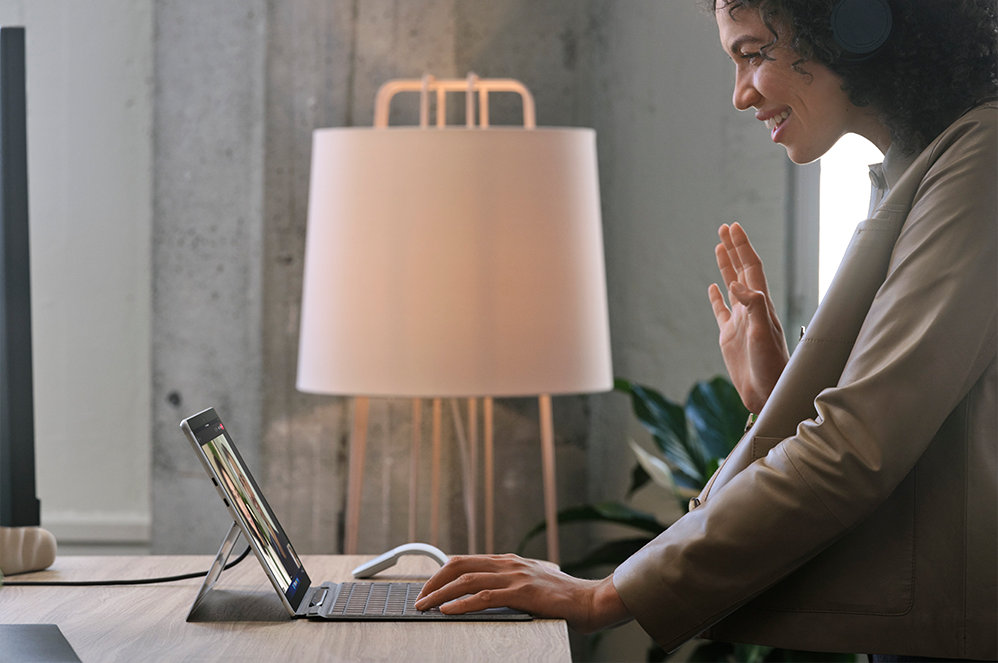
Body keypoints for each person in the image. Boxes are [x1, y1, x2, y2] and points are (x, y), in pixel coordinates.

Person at [415, 0, 998, 659]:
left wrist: (606, 596)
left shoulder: (981, 158)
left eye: (752, 54)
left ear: (850, 24)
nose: (741, 94)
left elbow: (859, 447)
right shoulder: (922, 165)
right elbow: (909, 436)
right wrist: (776, 393)